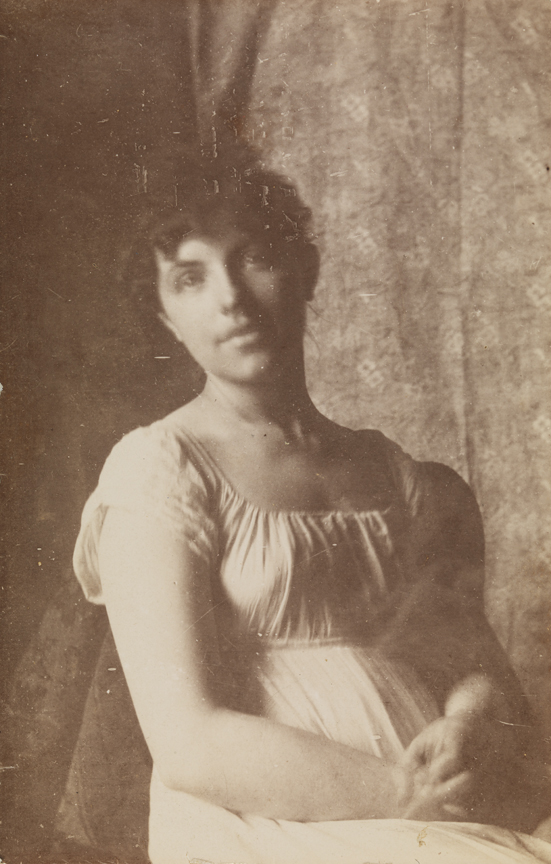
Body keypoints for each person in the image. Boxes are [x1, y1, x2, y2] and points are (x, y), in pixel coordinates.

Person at [73, 156, 551, 864]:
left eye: (255, 259)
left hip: (434, 809)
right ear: (166, 317)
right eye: (190, 277)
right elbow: (188, 742)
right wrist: (399, 794)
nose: (230, 298)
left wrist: (465, 720)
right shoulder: (160, 470)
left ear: (305, 273)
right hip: (268, 822)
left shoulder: (397, 476)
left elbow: (472, 666)